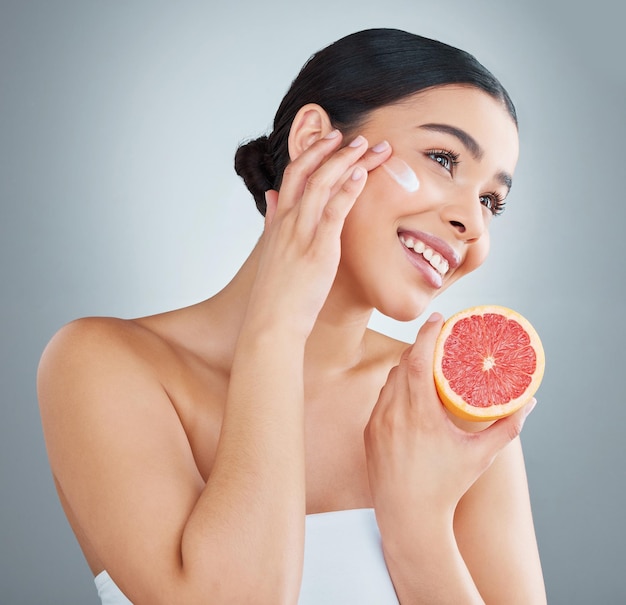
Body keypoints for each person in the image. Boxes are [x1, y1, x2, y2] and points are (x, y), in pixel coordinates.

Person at [38, 28, 546, 604]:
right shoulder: (103, 366)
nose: (473, 225)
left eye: (491, 201)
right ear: (315, 140)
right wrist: (277, 330)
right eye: (442, 158)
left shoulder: (448, 409)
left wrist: (419, 529)